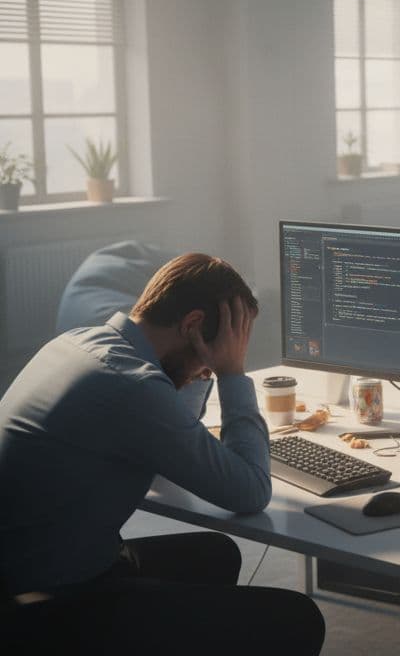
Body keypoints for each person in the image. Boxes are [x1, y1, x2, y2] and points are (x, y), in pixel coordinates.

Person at [0, 253, 324, 655]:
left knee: (215, 554)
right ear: (192, 326)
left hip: (28, 572)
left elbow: (169, 449)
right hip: (51, 600)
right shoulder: (131, 386)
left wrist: (201, 367)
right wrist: (231, 373)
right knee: (296, 618)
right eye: (230, 342)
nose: (217, 362)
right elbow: (250, 491)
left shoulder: (80, 343)